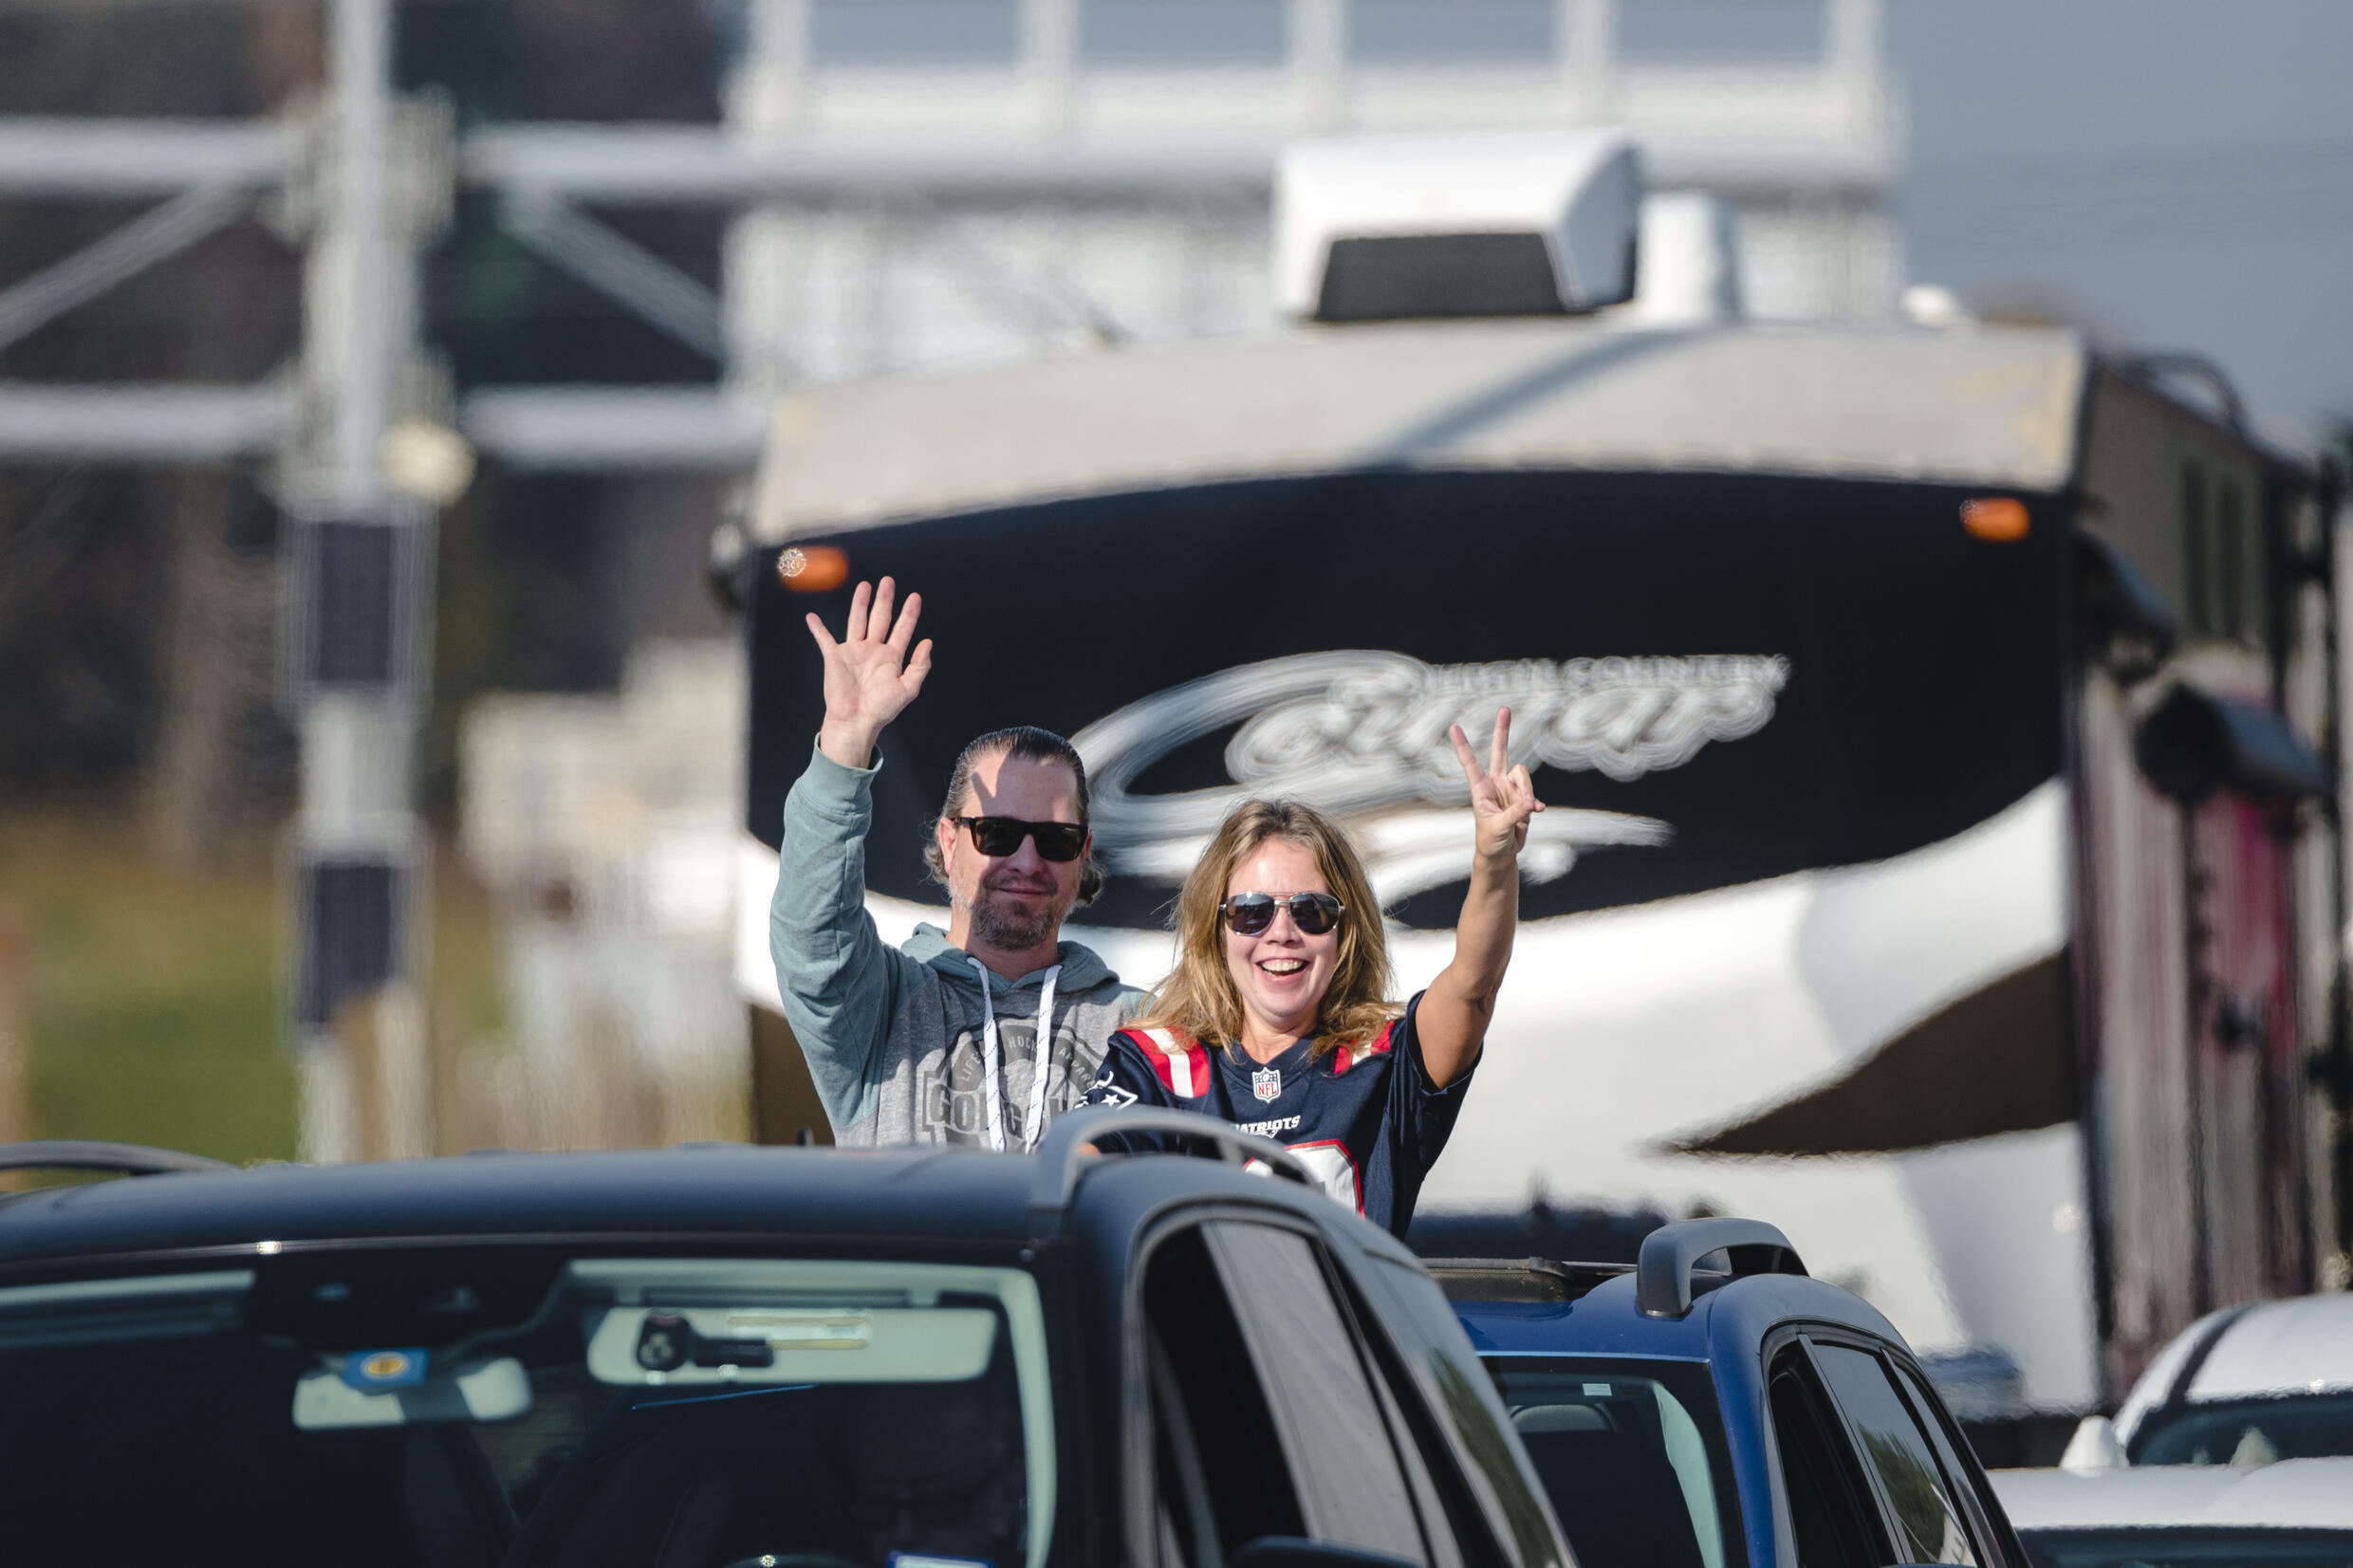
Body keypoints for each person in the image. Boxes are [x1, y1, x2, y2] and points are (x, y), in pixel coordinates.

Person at [1083, 710, 1543, 1235]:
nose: (1282, 933)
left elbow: (1473, 987)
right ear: (1217, 930)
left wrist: (1494, 859)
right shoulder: (1154, 1063)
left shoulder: (1386, 1060)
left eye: (1311, 912)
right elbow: (1079, 1170)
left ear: (1345, 930)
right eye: (1251, 912)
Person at [771, 577, 1142, 1148]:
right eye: (996, 833)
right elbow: (812, 937)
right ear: (948, 842)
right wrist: (846, 743)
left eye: (1055, 839)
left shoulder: (1144, 1026)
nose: (1027, 859)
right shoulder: (878, 1010)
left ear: (1083, 855)